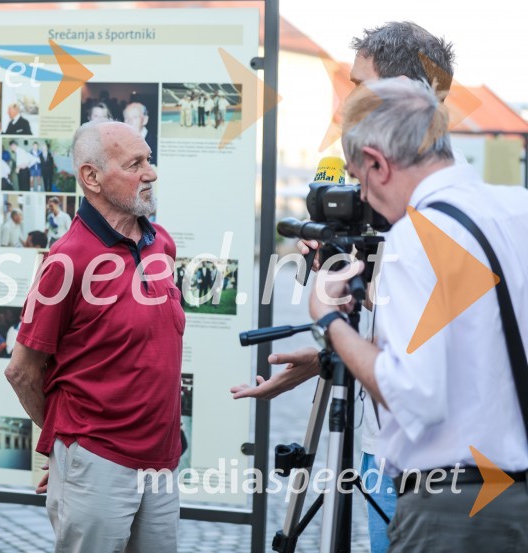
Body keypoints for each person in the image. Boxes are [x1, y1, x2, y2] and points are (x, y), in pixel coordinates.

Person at [231, 21, 461, 553]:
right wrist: (325, 356)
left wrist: (333, 329)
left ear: (403, 97)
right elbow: (398, 324)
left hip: (436, 470)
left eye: (358, 86)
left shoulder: (447, 215)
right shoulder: (388, 198)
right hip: (383, 448)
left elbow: (441, 361)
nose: (344, 105)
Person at [312, 76, 528, 551]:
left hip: (453, 509)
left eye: (359, 179)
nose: (362, 199)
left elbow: (414, 393)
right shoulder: (518, 210)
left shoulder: (416, 237)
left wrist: (330, 320)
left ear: (377, 163)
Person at [5, 120, 185, 553]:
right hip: (99, 462)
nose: (151, 172)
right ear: (92, 178)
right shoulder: (67, 260)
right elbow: (21, 372)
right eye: (135, 163)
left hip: (161, 463)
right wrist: (70, 450)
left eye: (149, 160)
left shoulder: (161, 243)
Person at [123, 101, 157, 166]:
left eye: (135, 117)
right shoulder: (120, 143)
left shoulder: (155, 144)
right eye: (127, 118)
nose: (130, 122)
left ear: (145, 120)